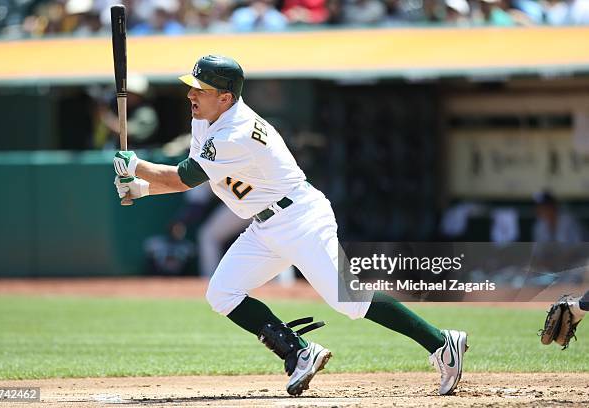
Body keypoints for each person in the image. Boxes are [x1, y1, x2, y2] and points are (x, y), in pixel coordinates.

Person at [112, 55, 468, 396]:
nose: (191, 94)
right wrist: (141, 187)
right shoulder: (205, 119)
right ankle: (299, 352)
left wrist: (137, 166)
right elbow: (197, 174)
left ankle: (441, 342)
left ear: (225, 97)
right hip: (265, 225)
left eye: (200, 89)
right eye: (192, 86)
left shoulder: (237, 132)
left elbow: (184, 178)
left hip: (300, 218)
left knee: (350, 300)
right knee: (222, 292)